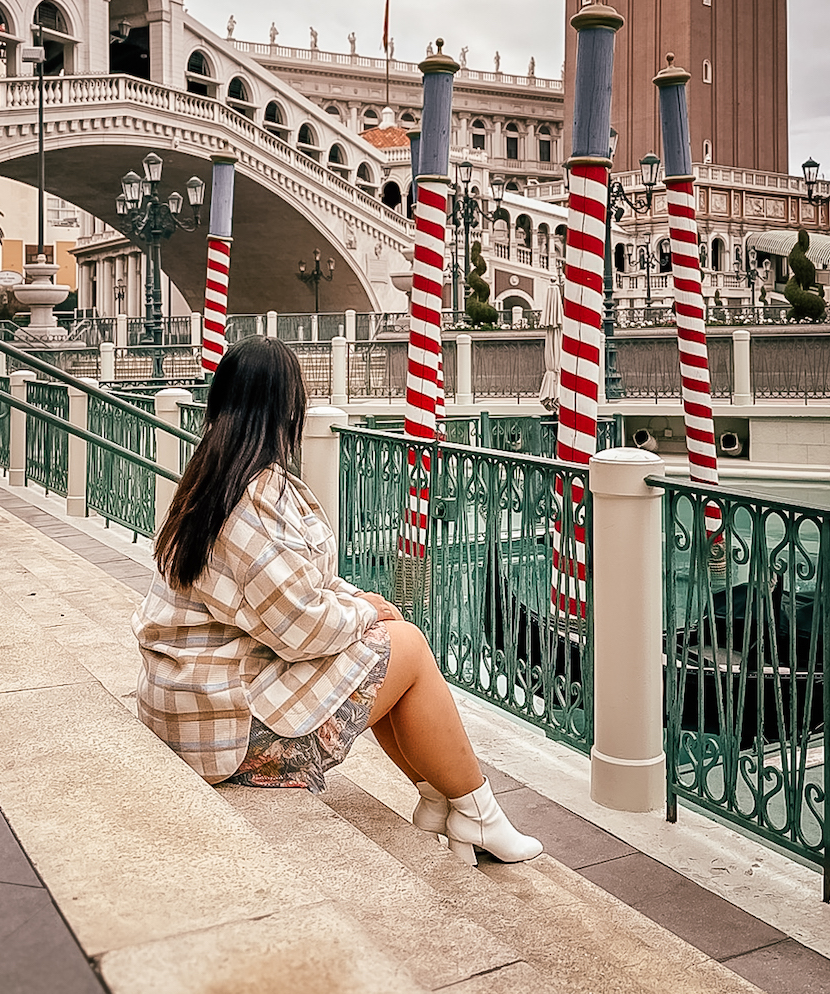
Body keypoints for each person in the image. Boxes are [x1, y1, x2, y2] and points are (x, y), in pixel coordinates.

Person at [132, 338, 542, 866]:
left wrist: (359, 601)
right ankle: (471, 808)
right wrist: (370, 611)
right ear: (288, 409)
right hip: (225, 732)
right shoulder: (251, 501)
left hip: (191, 700)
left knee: (387, 650)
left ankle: (447, 798)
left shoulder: (209, 480)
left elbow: (292, 587)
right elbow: (299, 624)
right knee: (408, 648)